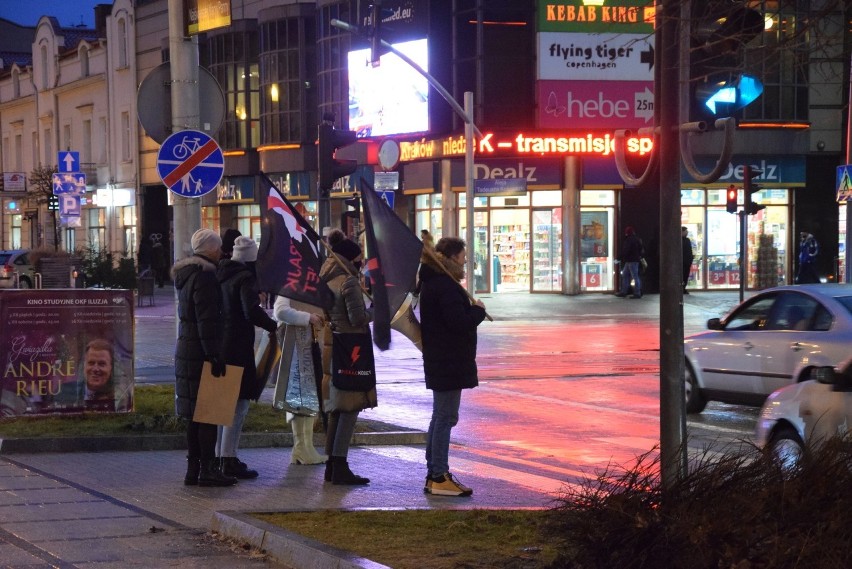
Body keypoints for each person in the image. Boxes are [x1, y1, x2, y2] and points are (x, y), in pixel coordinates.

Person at [418, 236, 486, 497]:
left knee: (441, 416)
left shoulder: (436, 281)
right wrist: (477, 311)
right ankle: (438, 475)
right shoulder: (445, 285)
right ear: (453, 257)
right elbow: (457, 322)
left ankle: (434, 474)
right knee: (445, 417)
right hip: (448, 360)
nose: (466, 260)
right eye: (463, 256)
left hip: (442, 359)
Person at [171, 228, 235, 487]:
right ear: (210, 250)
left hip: (187, 350)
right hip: (201, 353)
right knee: (208, 413)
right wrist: (213, 355)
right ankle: (208, 470)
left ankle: (192, 469)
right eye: (218, 249)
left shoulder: (187, 276)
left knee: (193, 415)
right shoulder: (206, 278)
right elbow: (207, 320)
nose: (221, 253)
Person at [216, 236, 278, 479]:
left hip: (220, 345)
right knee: (238, 406)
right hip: (238, 347)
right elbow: (250, 310)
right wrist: (272, 325)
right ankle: (228, 459)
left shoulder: (220, 273)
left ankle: (220, 457)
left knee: (222, 407)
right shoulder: (245, 278)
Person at [319, 229, 376, 485]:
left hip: (333, 344)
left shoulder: (326, 276)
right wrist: (376, 311)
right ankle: (340, 465)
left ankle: (332, 464)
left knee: (337, 408)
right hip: (352, 348)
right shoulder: (348, 282)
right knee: (350, 406)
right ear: (351, 260)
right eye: (359, 259)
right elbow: (358, 318)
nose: (361, 263)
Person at [273, 295, 327, 466]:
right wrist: (308, 317)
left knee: (308, 396)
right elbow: (280, 312)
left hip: (308, 349)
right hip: (297, 351)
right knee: (298, 396)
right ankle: (301, 448)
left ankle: (305, 448)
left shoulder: (307, 286)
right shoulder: (289, 286)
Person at [80, 339, 132, 412]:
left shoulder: (122, 397)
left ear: (111, 367)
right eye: (91, 363)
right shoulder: (67, 391)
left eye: (101, 364)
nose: (95, 369)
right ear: (84, 365)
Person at [615, 226, 643, 299]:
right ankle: (626, 291)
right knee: (628, 275)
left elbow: (626, 250)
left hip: (631, 260)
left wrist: (619, 258)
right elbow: (641, 249)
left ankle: (636, 293)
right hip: (633, 260)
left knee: (632, 276)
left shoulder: (629, 240)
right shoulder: (636, 239)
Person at [681, 226, 694, 294]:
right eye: (685, 232)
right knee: (682, 276)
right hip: (682, 262)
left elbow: (689, 251)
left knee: (686, 275)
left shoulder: (687, 240)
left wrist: (691, 258)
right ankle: (681, 289)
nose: (687, 233)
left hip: (687, 262)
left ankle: (683, 288)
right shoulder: (678, 240)